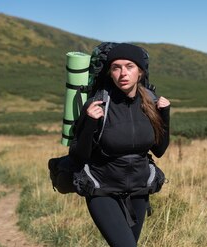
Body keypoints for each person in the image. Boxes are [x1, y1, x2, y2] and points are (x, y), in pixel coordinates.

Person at [70, 43, 170, 246]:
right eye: (116, 67)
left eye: (129, 66)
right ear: (110, 72)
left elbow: (159, 151)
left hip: (139, 191)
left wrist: (165, 114)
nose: (123, 73)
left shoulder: (150, 103)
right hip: (102, 189)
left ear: (140, 72)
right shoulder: (97, 104)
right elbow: (79, 155)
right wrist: (89, 122)